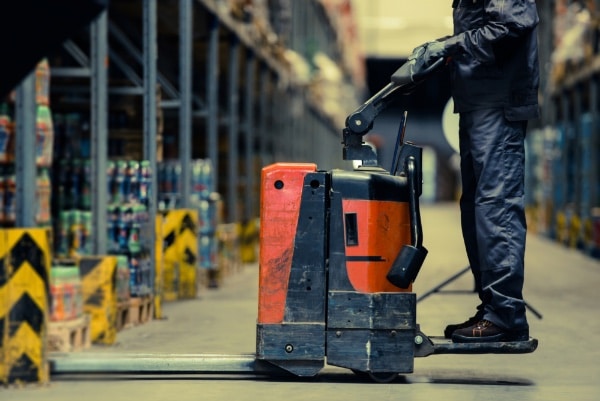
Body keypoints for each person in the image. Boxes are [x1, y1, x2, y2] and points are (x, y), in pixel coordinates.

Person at [411, 0, 540, 342]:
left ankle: (506, 314)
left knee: (496, 206)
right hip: (477, 100)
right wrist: (445, 50)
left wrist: (451, 45)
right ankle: (492, 307)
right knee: (476, 209)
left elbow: (512, 24)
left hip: (498, 101)